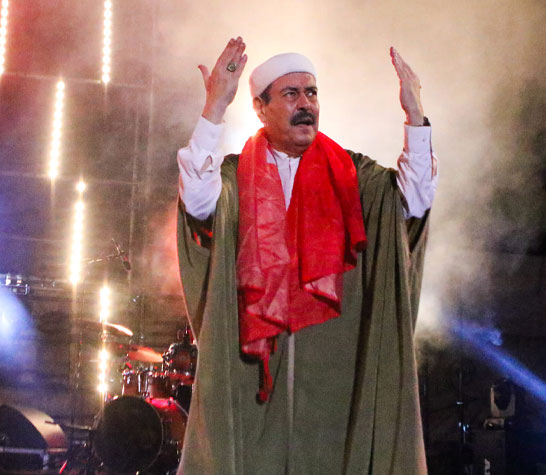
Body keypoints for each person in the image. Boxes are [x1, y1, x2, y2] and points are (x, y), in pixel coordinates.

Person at [175, 37, 437, 474]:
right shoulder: (236, 178)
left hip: (337, 387)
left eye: (311, 93)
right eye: (291, 94)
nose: (305, 104)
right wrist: (214, 108)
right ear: (260, 108)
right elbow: (198, 201)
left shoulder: (353, 176)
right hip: (252, 382)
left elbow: (413, 200)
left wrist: (415, 116)